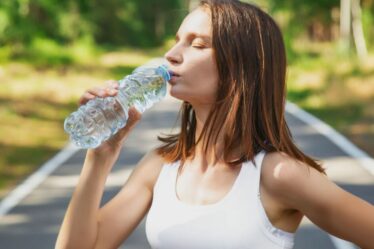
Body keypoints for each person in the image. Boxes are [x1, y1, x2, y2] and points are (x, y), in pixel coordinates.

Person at [55, 1, 374, 248]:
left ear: (240, 66)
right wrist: (99, 157)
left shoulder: (278, 175)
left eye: (196, 44)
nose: (171, 55)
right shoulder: (160, 167)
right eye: (177, 40)